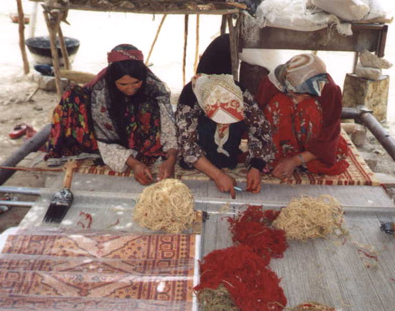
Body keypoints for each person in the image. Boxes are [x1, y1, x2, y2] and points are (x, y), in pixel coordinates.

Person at [45, 44, 178, 185]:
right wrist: (134, 164)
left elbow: (168, 129)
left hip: (135, 139)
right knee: (72, 95)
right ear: (112, 81)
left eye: (136, 82)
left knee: (147, 105)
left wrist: (171, 159)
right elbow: (105, 140)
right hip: (100, 136)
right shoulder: (101, 93)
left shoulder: (153, 89)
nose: (131, 88)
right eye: (123, 84)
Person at [176, 35, 273, 198]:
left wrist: (256, 166)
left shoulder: (238, 91)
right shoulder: (191, 94)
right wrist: (217, 175)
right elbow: (187, 144)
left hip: (230, 159)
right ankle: (210, 165)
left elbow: (260, 130)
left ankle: (225, 160)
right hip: (198, 161)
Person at [257, 53, 349, 179]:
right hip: (279, 145)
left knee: (309, 106)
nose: (297, 101)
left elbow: (328, 135)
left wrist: (296, 160)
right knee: (280, 102)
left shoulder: (330, 91)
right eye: (293, 94)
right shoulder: (272, 83)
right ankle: (278, 155)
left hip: (313, 147)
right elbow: (257, 123)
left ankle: (303, 158)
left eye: (305, 96)